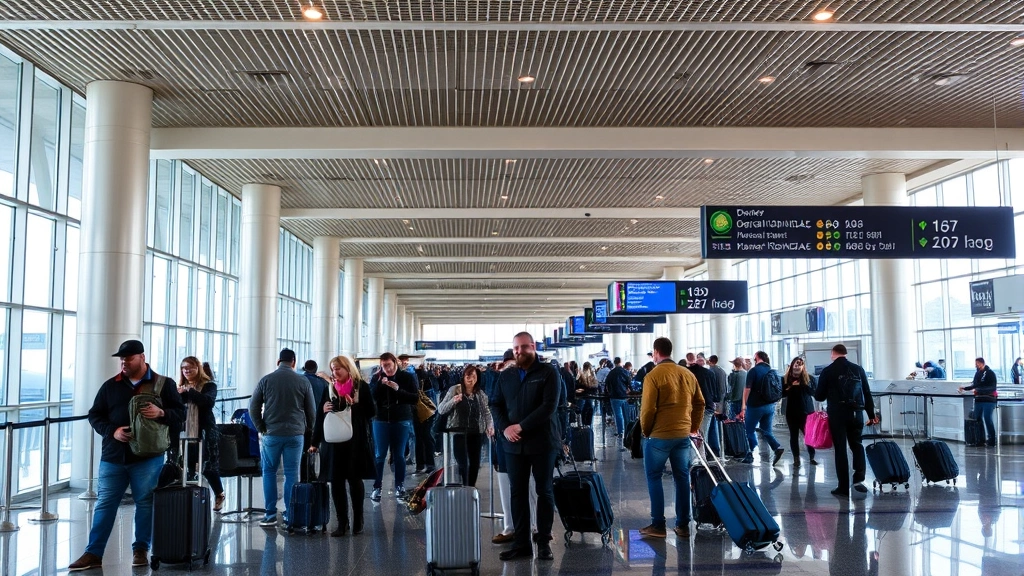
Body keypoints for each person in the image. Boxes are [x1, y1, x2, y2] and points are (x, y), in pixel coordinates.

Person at [69, 340, 185, 572]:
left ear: (142, 358)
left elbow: (180, 414)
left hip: (148, 456)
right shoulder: (111, 386)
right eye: (121, 358)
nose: (124, 362)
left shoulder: (164, 384)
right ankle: (93, 552)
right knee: (105, 505)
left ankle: (140, 549)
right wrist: (113, 431)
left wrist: (161, 412)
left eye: (129, 358)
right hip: (113, 456)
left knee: (144, 502)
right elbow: (95, 415)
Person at [490, 332, 560, 562]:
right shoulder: (507, 375)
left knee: (544, 492)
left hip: (542, 443)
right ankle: (521, 544)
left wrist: (521, 426)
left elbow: (549, 406)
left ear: (533, 346)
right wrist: (505, 428)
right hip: (513, 446)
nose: (518, 352)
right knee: (517, 493)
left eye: (522, 347)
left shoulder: (549, 372)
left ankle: (543, 543)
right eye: (515, 349)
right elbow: (495, 403)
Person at [638, 337, 704, 540]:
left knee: (654, 477)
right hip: (682, 435)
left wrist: (646, 430)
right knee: (681, 477)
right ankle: (683, 525)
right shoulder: (687, 373)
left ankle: (658, 524)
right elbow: (700, 403)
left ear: (656, 352)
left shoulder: (653, 375)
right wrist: (692, 427)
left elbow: (648, 409)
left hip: (659, 435)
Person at [249, 348, 317, 527]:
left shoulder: (266, 380)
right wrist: (308, 429)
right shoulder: (303, 381)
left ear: (278, 361)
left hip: (271, 433)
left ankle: (270, 514)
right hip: (295, 434)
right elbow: (311, 411)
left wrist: (261, 427)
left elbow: (253, 408)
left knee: (269, 472)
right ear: (294, 362)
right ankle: (290, 514)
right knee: (291, 473)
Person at [311, 355, 376, 536]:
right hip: (332, 443)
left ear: (348, 369)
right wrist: (314, 443)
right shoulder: (329, 388)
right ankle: (342, 522)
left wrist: (354, 405)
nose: (334, 372)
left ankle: (358, 520)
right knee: (336, 482)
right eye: (332, 369)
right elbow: (319, 415)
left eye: (338, 368)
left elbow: (372, 411)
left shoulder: (360, 387)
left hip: (355, 441)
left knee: (355, 480)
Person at [813, 344, 877, 497]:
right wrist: (871, 414)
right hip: (857, 413)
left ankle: (843, 487)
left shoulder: (828, 371)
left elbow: (819, 396)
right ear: (846, 354)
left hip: (838, 415)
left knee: (840, 449)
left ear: (832, 354)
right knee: (857, 444)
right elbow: (866, 393)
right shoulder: (858, 369)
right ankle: (859, 478)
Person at [176, 357, 225, 511]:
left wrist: (189, 391)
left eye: (190, 367)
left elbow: (208, 402)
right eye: (184, 368)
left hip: (205, 430)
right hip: (187, 432)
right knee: (188, 465)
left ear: (198, 368)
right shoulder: (180, 387)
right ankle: (191, 501)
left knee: (208, 466)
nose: (187, 371)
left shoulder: (209, 385)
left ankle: (219, 493)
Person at [369, 352, 419, 502]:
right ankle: (377, 487)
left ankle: (399, 485)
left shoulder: (407, 377)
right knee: (380, 455)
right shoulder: (377, 377)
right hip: (381, 420)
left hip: (401, 419)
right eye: (384, 366)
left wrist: (398, 389)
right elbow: (372, 397)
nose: (387, 369)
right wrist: (380, 383)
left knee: (399, 455)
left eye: (389, 365)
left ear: (395, 363)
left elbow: (415, 398)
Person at [437, 364, 494, 486]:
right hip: (458, 432)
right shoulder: (454, 390)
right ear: (463, 377)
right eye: (468, 376)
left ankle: (470, 487)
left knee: (475, 463)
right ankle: (464, 485)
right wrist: (454, 401)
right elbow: (441, 409)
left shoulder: (480, 394)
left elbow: (486, 412)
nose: (470, 379)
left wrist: (490, 426)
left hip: (476, 432)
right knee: (463, 463)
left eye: (474, 376)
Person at [738, 351, 785, 466]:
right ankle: (776, 448)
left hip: (755, 407)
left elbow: (747, 389)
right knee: (766, 431)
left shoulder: (753, 371)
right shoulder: (772, 370)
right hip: (770, 406)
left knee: (748, 430)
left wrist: (743, 406)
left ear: (756, 358)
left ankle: (749, 454)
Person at [783, 356, 818, 468]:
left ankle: (812, 457)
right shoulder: (786, 379)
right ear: (792, 365)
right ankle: (796, 459)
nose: (797, 366)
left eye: (800, 364)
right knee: (793, 436)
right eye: (796, 363)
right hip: (792, 412)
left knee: (808, 435)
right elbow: (782, 394)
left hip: (806, 412)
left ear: (803, 366)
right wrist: (790, 387)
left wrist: (803, 385)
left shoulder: (810, 379)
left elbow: (814, 393)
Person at [685, 352, 719, 457]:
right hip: (708, 406)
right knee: (702, 434)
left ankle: (696, 460)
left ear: (687, 360)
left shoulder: (685, 374)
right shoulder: (709, 373)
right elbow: (715, 393)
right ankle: (702, 459)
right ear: (696, 359)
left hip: (691, 407)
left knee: (692, 434)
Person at [959, 357, 998, 448]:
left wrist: (979, 390)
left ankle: (992, 439)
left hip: (989, 399)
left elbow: (992, 387)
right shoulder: (978, 373)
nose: (976, 365)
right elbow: (975, 385)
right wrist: (965, 388)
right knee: (977, 417)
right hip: (979, 399)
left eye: (977, 363)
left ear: (982, 363)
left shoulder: (990, 373)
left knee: (987, 418)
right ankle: (980, 439)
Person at [606, 357, 631, 437]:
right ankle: (628, 431)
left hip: (614, 396)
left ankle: (620, 431)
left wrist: (610, 392)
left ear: (614, 363)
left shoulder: (611, 373)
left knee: (618, 415)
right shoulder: (625, 372)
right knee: (626, 415)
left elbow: (607, 384)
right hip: (624, 396)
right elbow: (629, 383)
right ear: (621, 362)